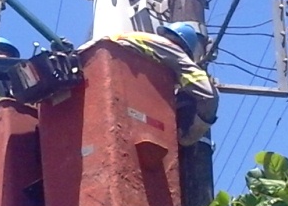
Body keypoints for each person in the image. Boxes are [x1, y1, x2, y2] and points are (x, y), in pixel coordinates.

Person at [79, 22, 218, 145]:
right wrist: (190, 136)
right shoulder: (174, 51)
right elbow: (208, 94)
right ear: (185, 48)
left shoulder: (143, 38)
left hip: (82, 62)